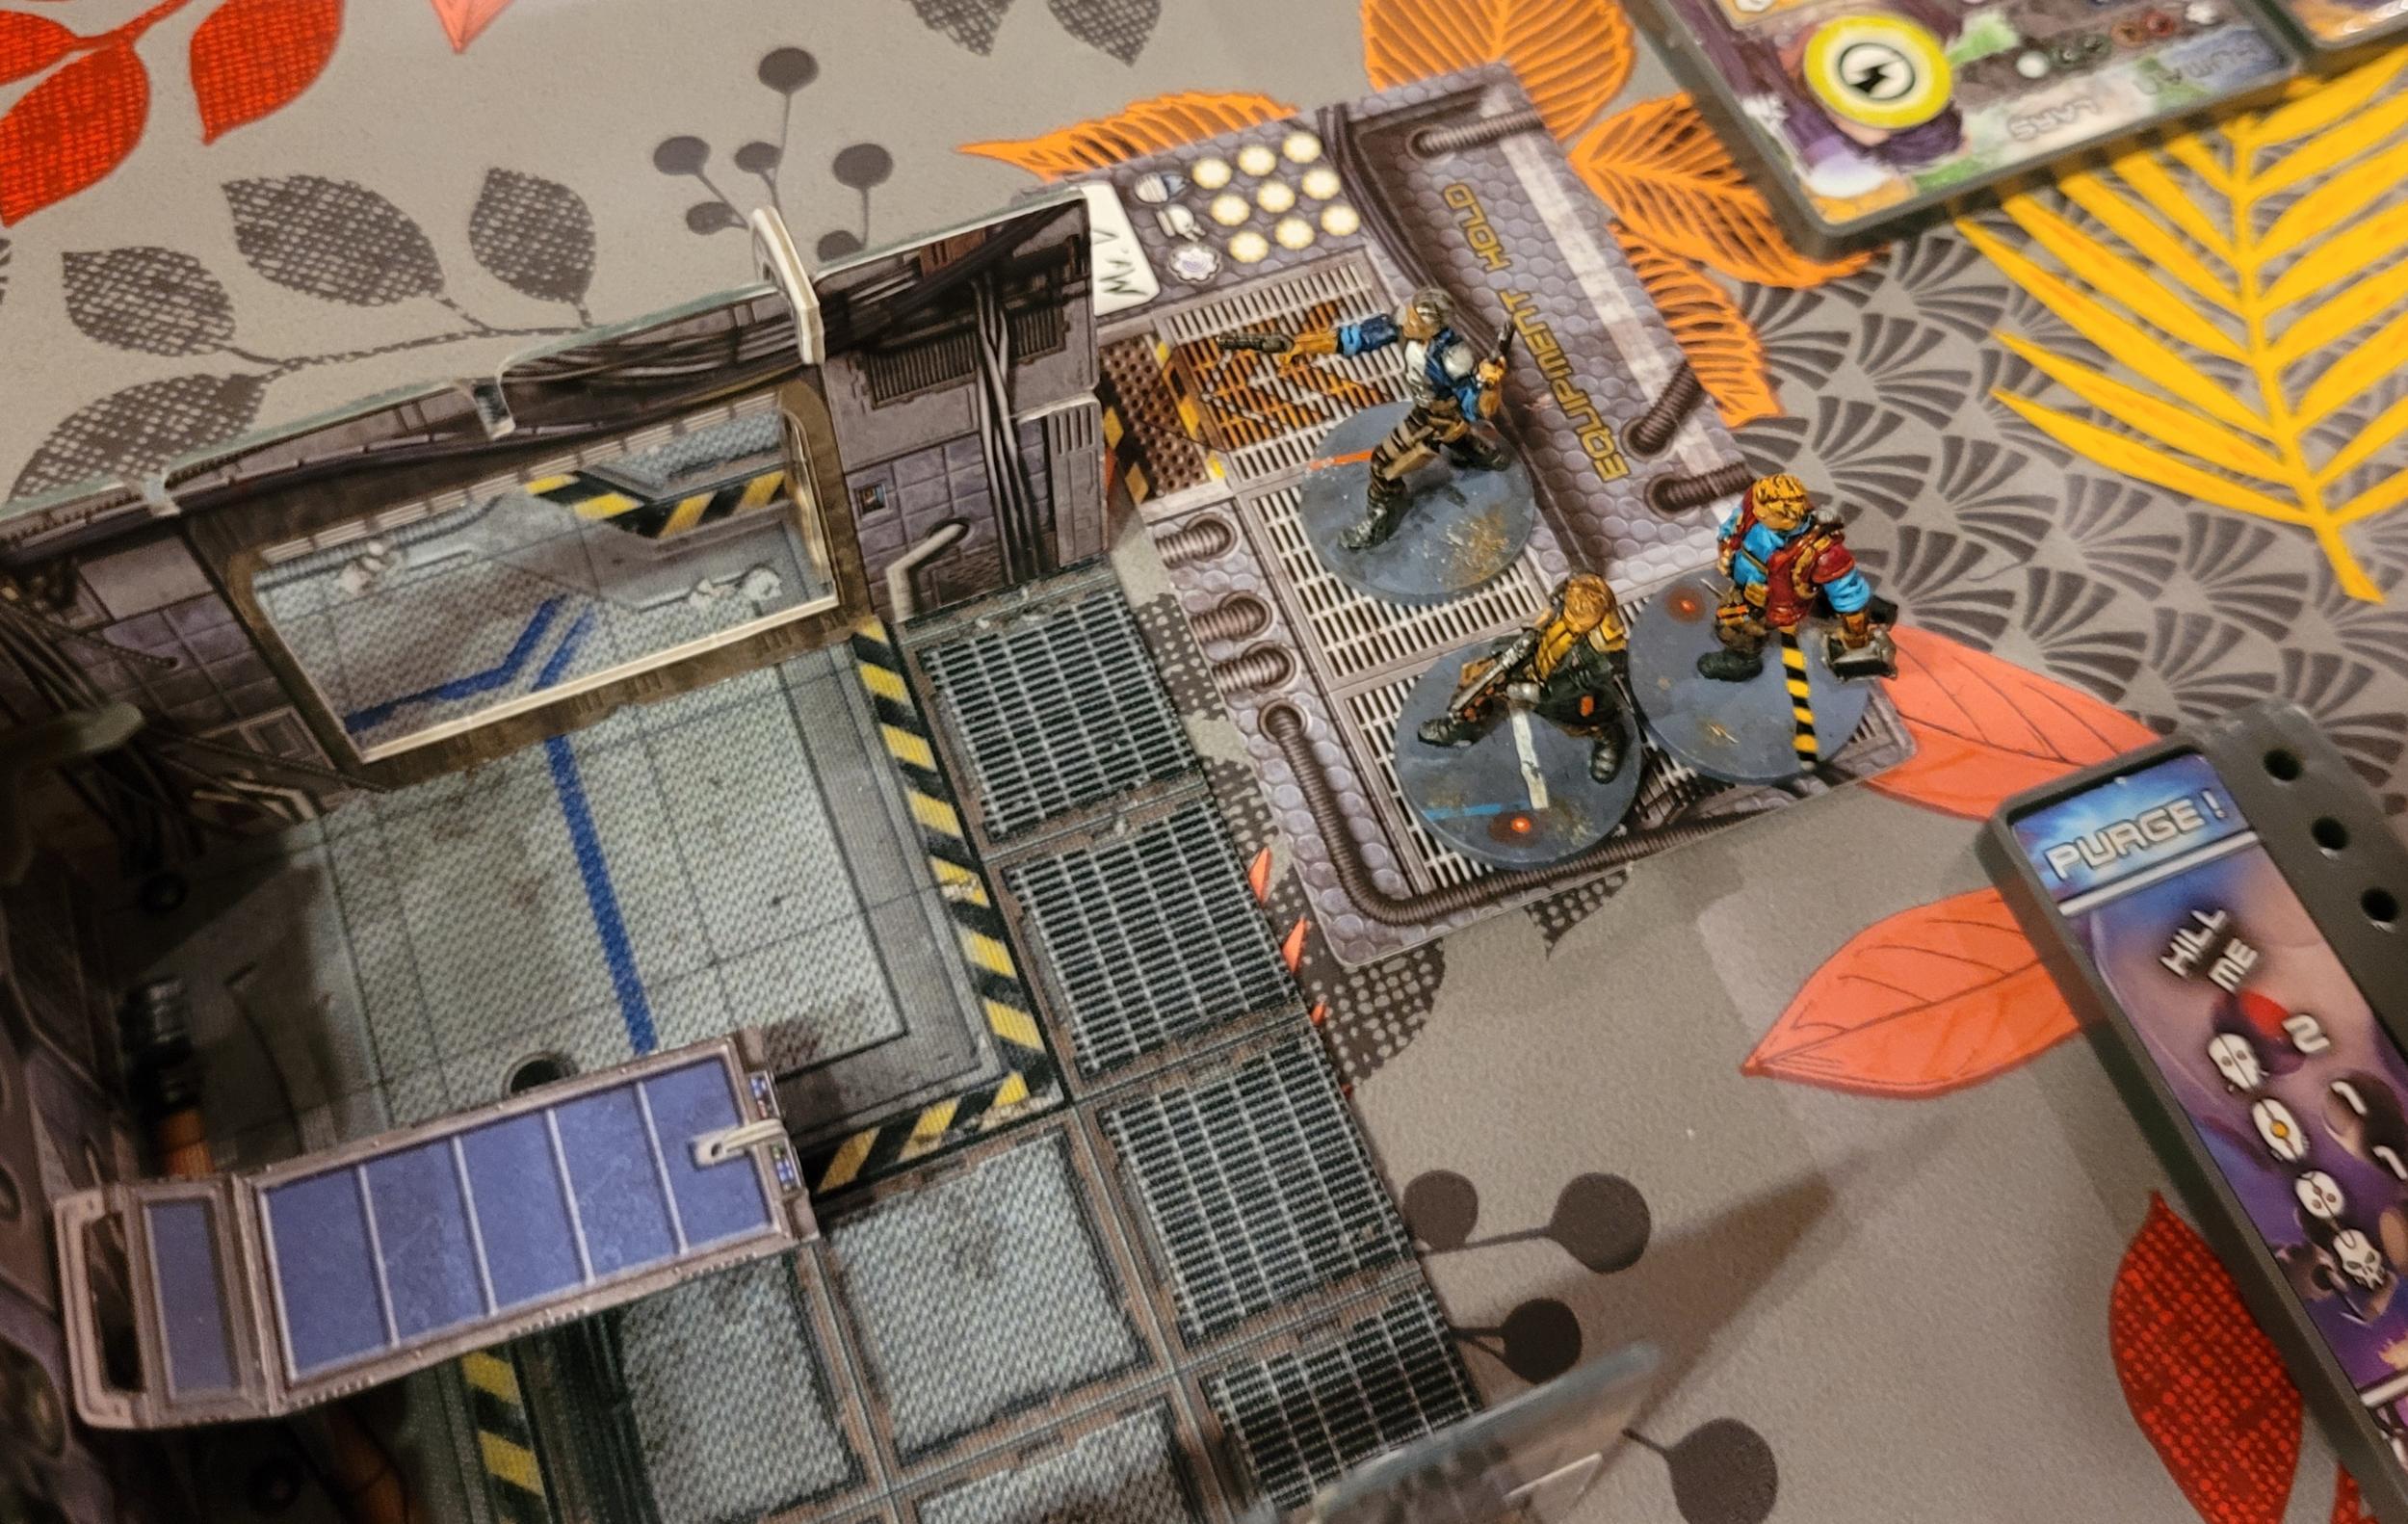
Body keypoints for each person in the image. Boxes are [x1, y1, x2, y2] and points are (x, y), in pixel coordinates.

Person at [1217, 286, 1508, 549]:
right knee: (1452, 433)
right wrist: (1304, 344)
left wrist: (1490, 385)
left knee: (1383, 464)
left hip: (1437, 414)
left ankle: (1382, 517)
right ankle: (1482, 453)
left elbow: (1475, 409)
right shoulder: (1404, 325)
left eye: (1417, 322)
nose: (1407, 323)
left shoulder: (1453, 357)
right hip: (1430, 407)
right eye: (1409, 315)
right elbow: (1355, 338)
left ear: (1435, 328)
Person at [1416, 573, 1632, 784]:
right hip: (1530, 661)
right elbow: (1550, 613)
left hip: (1561, 688)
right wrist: (1531, 637)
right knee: (1478, 676)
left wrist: (1531, 691)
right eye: (1570, 611)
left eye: (1579, 619)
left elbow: (1578, 680)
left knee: (1581, 718)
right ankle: (1463, 723)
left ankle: (1608, 735)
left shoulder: (1606, 652)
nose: (1571, 621)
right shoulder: (1566, 600)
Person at [1698, 473, 1896, 682]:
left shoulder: (1821, 552)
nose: (1756, 513)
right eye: (1756, 507)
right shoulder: (1755, 506)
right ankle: (1856, 608)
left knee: (1733, 624)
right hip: (1752, 580)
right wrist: (1726, 544)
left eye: (1764, 514)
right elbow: (1737, 521)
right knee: (1825, 597)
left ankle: (1742, 660)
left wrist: (1855, 629)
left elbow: (1846, 588)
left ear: (1786, 518)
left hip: (1772, 599)